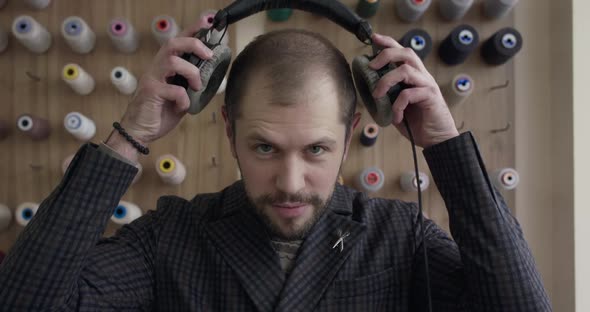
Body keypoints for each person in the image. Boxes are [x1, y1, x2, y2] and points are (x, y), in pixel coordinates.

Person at [0, 15, 551, 311]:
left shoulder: (399, 237)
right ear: (230, 130)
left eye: (316, 150)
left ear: (352, 131)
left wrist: (446, 146)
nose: (291, 184)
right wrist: (129, 135)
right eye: (265, 148)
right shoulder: (169, 238)